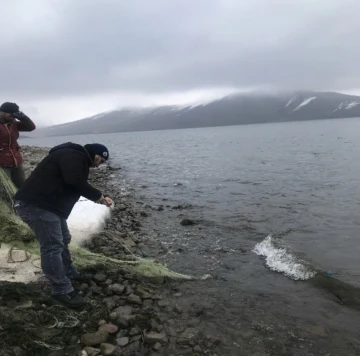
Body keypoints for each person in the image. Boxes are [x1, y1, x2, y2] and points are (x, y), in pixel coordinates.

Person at [14, 142, 113, 308]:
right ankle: (61, 289)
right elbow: (73, 181)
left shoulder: (77, 157)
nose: (99, 165)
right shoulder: (75, 155)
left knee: (64, 238)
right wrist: (100, 197)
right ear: (95, 153)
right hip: (36, 205)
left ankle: (68, 271)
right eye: (101, 160)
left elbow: (70, 182)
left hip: (49, 207)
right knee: (52, 246)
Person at [0, 102, 36, 188]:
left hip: (16, 159)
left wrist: (24, 118)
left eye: (15, 113)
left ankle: (21, 201)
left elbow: (30, 128)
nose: (13, 115)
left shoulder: (13, 122)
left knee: (21, 185)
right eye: (12, 113)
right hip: (2, 162)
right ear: (2, 112)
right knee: (7, 187)